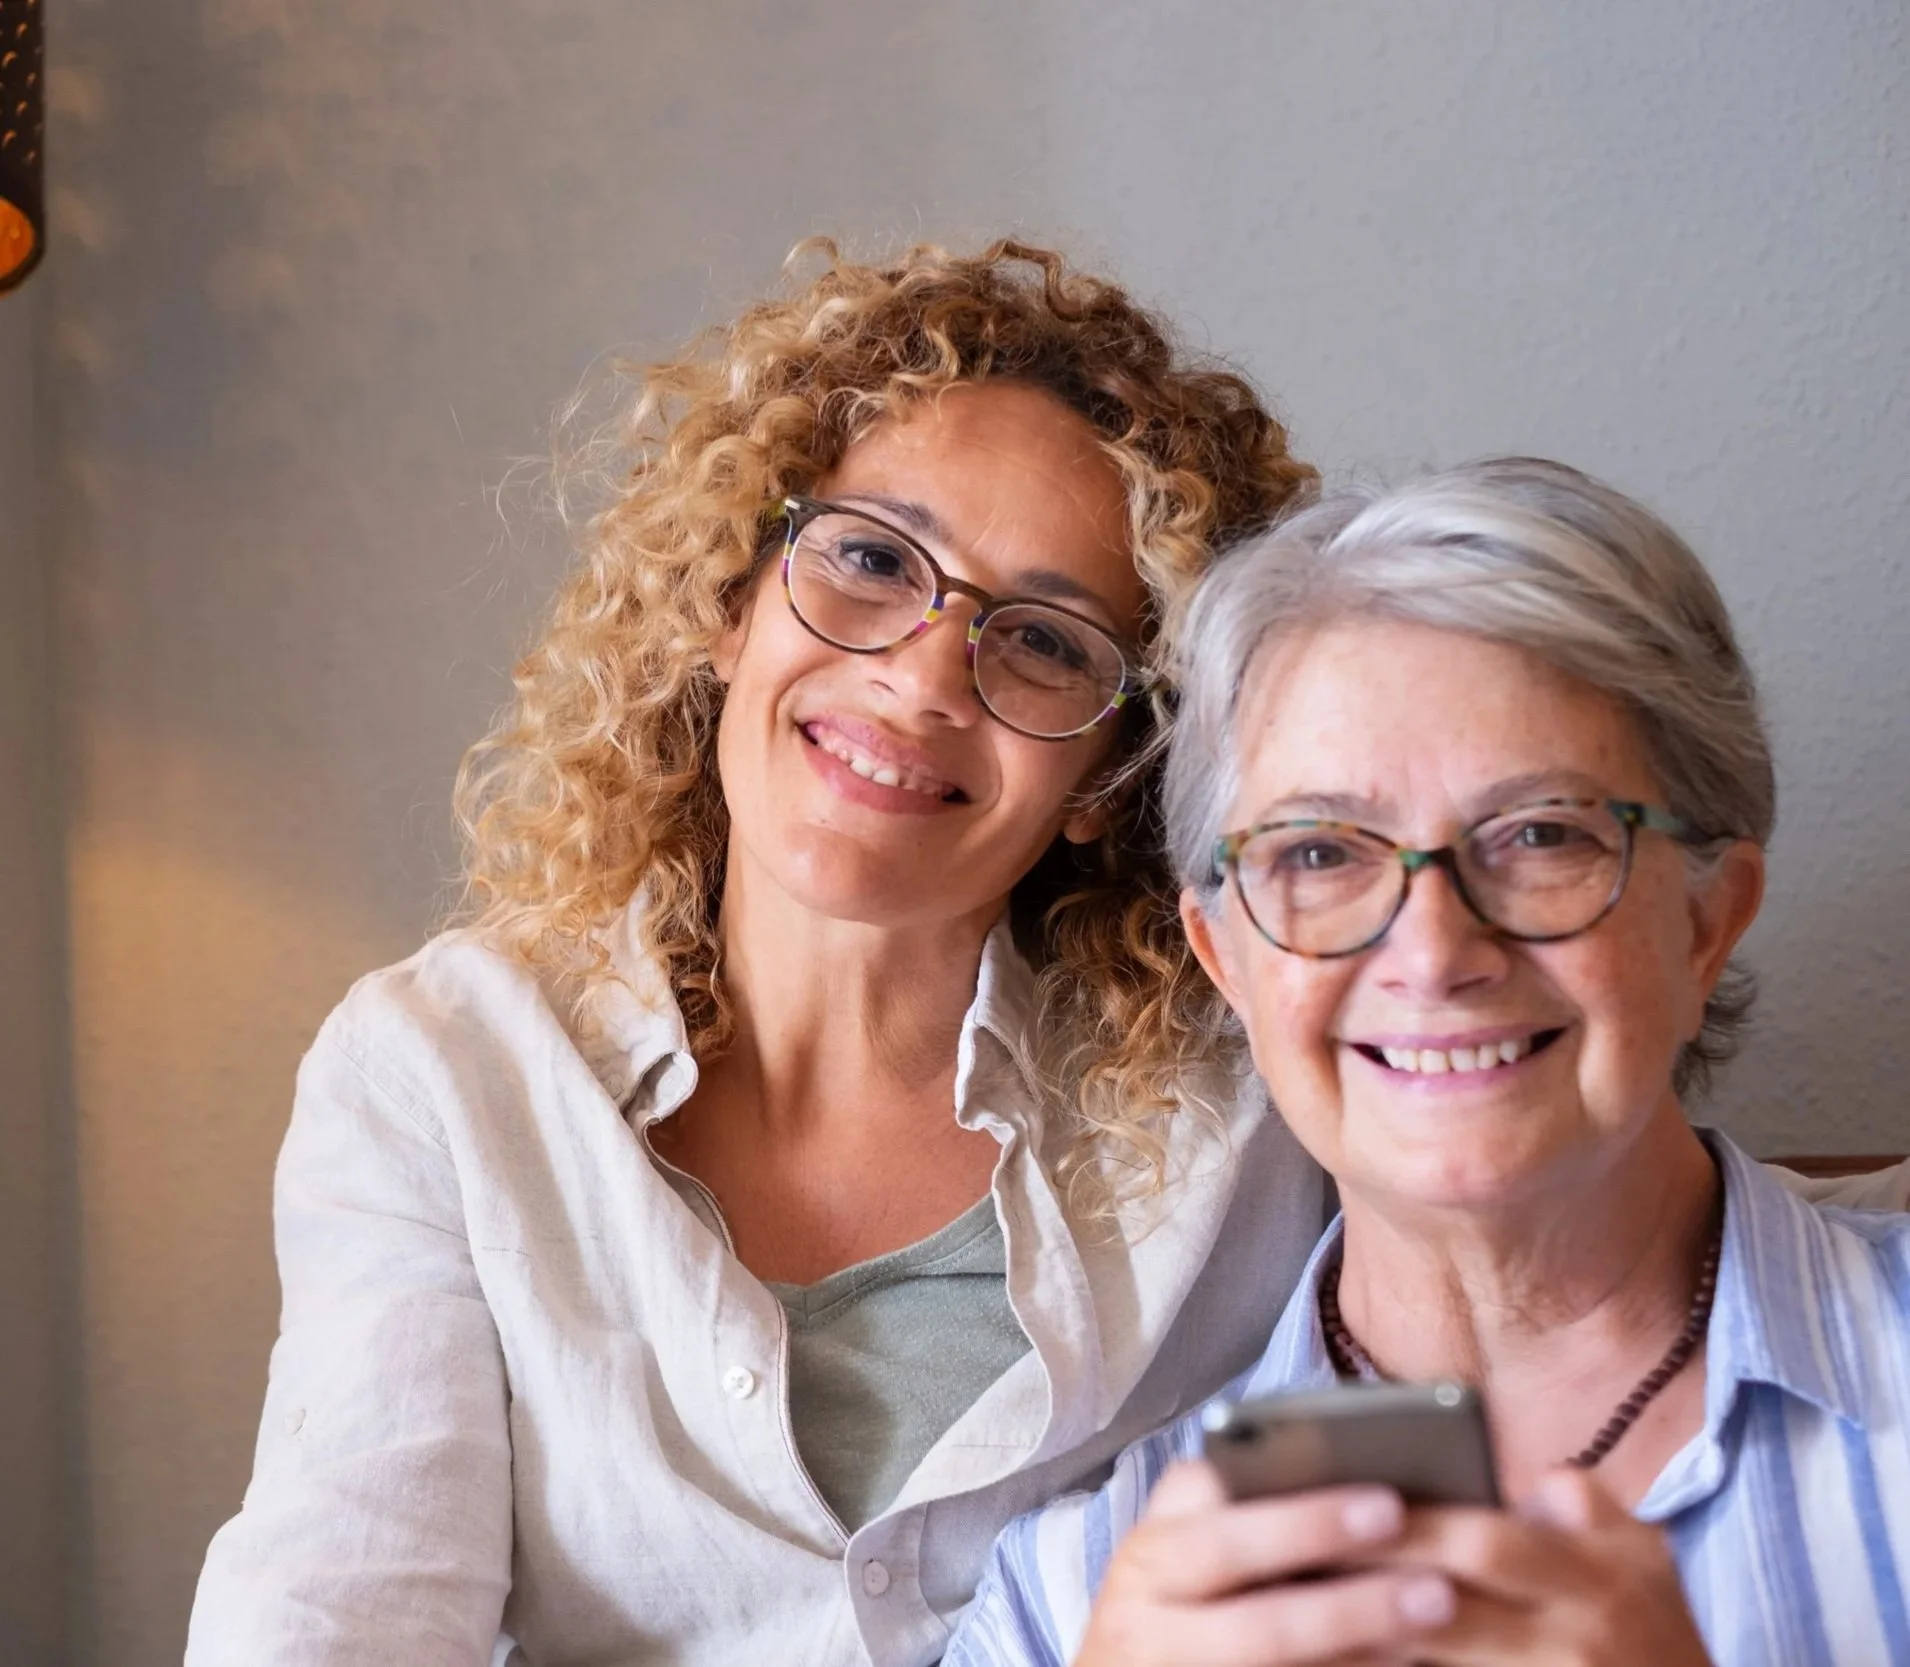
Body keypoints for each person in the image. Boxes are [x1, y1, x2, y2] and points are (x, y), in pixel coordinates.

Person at [184, 239, 1335, 1667]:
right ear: (728, 598)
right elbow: (337, 1611)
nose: (918, 679)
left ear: (1112, 770)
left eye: (1041, 640)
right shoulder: (447, 1069)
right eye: (866, 559)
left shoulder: (1262, 1116)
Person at [948, 458, 1910, 1667]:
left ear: (1705, 919)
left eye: (1541, 834)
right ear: (1226, 958)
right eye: (1316, 853)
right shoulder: (1065, 1602)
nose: (1433, 950)